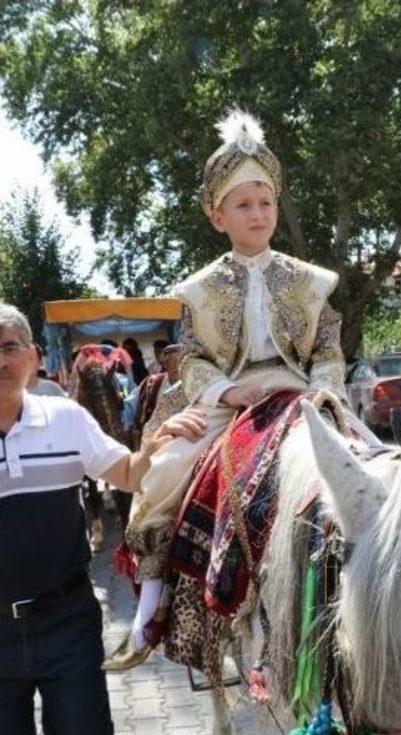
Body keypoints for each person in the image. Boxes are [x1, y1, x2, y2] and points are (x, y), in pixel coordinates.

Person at [0, 304, 200, 735]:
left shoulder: (64, 418)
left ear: (32, 358)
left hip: (64, 618)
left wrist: (166, 437)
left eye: (8, 346)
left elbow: (127, 472)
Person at [124, 109, 346, 654]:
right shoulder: (197, 289)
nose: (258, 213)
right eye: (243, 204)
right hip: (227, 397)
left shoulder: (309, 281)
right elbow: (194, 356)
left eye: (265, 202)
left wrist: (323, 388)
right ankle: (151, 602)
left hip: (300, 393)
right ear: (217, 216)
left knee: (366, 462)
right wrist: (226, 391)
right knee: (167, 468)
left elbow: (326, 347)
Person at [123, 344, 186, 450]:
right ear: (165, 363)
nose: (176, 366)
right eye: (171, 361)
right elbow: (127, 411)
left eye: (180, 361)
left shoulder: (199, 385)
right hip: (153, 451)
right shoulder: (151, 384)